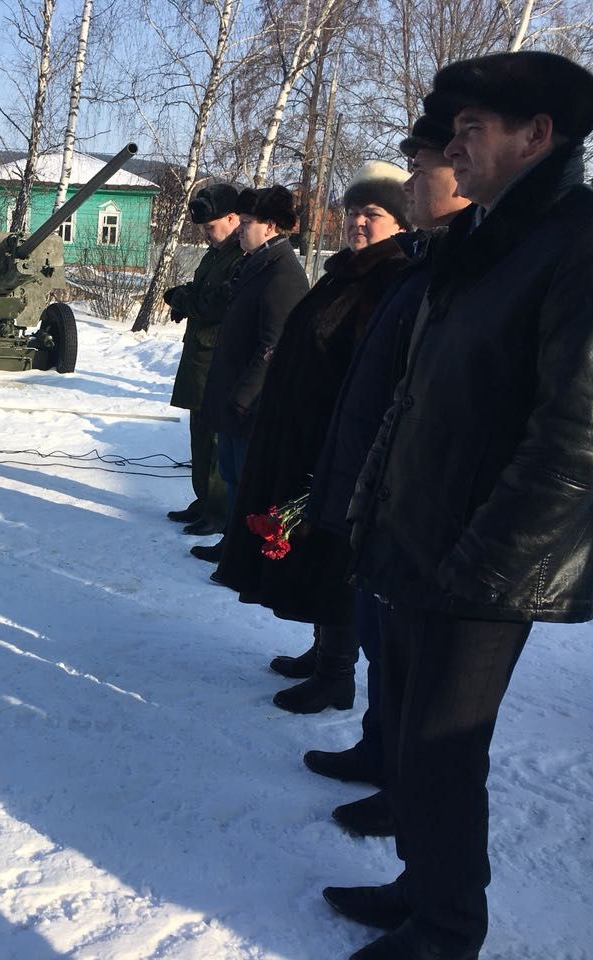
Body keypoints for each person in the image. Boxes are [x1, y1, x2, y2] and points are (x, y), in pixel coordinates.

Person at [332, 52, 593, 960]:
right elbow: (420, 398)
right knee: (405, 737)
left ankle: (445, 933)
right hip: (419, 536)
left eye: (471, 128)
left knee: (443, 754)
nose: (452, 147)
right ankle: (417, 887)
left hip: (487, 560)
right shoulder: (479, 240)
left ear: (535, 136)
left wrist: (484, 564)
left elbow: (583, 428)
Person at [300, 115, 471, 842]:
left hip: (400, 493)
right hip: (365, 478)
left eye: (423, 166)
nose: (362, 222)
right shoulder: (420, 269)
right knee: (379, 640)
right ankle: (379, 754)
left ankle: (399, 785)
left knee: (398, 655)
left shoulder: (421, 270)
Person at [211, 161, 411, 715]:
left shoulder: (392, 275)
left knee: (335, 556)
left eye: (372, 214)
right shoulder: (344, 269)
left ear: (398, 220)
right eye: (353, 212)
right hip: (308, 431)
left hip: (342, 437)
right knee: (313, 547)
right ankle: (322, 649)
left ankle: (336, 675)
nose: (357, 223)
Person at [192, 185, 308, 563]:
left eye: (246, 223)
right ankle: (232, 542)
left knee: (246, 479)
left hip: (251, 402)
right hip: (234, 394)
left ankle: (243, 551)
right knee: (231, 475)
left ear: (271, 226)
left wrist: (243, 400)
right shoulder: (257, 262)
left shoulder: (282, 274)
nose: (239, 229)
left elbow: (272, 348)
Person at [162, 183, 247, 536]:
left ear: (233, 218)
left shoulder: (239, 255)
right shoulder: (217, 252)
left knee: (214, 439)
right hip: (200, 355)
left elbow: (216, 304)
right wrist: (184, 295)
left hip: (217, 359)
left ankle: (218, 508)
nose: (207, 234)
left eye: (211, 226)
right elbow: (203, 292)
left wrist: (185, 301)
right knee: (200, 433)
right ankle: (204, 500)